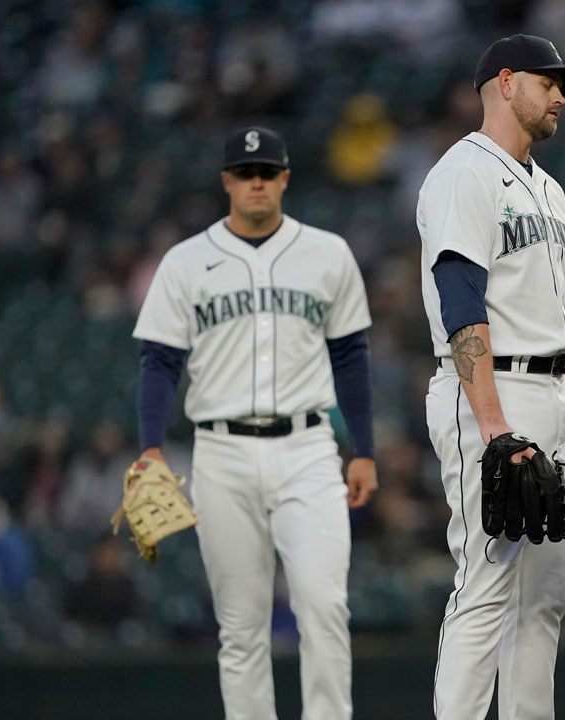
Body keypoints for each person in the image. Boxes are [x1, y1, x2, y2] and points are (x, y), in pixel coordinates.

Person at [132, 126, 378, 720]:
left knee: (324, 606)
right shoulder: (186, 261)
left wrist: (364, 449)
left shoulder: (327, 253)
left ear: (286, 178)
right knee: (241, 625)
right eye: (246, 173)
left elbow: (351, 354)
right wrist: (150, 448)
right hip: (222, 455)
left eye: (268, 171)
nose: (258, 181)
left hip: (308, 449)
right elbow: (160, 361)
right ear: (227, 182)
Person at [416, 35, 565, 720]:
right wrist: (494, 426)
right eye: (548, 81)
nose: (560, 96)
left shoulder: (550, 191)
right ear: (504, 82)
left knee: (544, 601)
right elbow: (460, 303)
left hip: (551, 389)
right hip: (488, 394)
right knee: (486, 587)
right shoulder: (462, 173)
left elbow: (562, 319)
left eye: (564, 86)